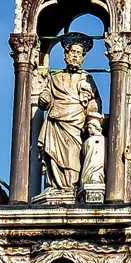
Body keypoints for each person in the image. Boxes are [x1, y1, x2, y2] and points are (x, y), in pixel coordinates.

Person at [35, 37, 100, 192]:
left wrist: (92, 116)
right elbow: (46, 97)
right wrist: (44, 98)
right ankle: (55, 186)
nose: (76, 56)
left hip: (76, 123)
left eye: (79, 53)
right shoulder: (55, 78)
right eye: (73, 52)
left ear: (83, 58)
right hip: (56, 123)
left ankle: (71, 187)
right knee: (54, 156)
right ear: (66, 55)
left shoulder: (87, 79)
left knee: (73, 156)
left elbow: (95, 102)